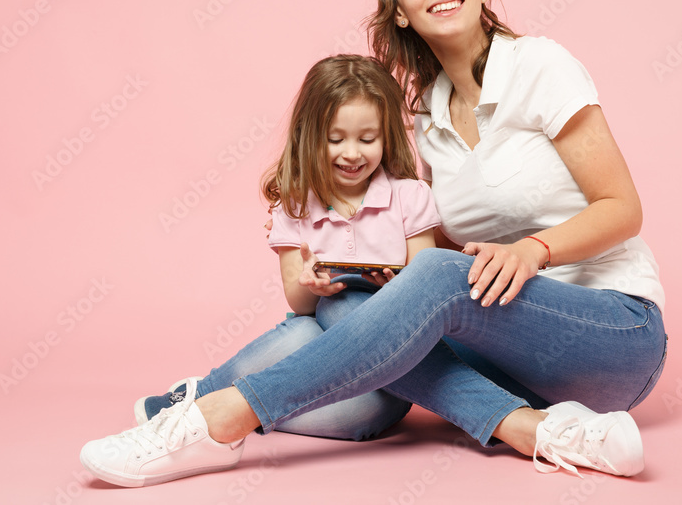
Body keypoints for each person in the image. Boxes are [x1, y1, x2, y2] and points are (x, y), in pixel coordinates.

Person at [79, 0, 668, 486]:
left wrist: (532, 251)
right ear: (401, 12)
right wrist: (366, 269)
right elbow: (441, 246)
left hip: (609, 334)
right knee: (352, 299)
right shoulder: (425, 118)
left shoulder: (541, 65)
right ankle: (531, 430)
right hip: (508, 361)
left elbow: (622, 208)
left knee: (430, 279)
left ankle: (217, 418)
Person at [79, 55, 442, 486]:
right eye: (336, 139)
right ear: (310, 137)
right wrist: (313, 287)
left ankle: (233, 410)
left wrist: (398, 287)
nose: (351, 153)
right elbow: (299, 302)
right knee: (318, 319)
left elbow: (428, 286)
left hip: (390, 373)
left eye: (367, 139)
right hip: (313, 335)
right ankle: (203, 398)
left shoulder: (411, 196)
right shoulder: (295, 203)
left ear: (386, 138)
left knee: (364, 420)